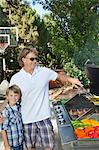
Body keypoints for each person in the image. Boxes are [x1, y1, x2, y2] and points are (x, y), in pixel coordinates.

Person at [9, 47, 83, 150]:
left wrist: (72, 79)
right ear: (23, 59)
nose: (35, 61)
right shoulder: (16, 78)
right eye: (32, 59)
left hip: (44, 118)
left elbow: (59, 77)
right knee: (30, 148)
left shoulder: (43, 72)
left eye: (36, 59)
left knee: (49, 147)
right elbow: (10, 100)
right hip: (27, 120)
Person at [0, 85, 23, 150]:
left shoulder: (19, 108)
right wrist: (6, 145)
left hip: (21, 142)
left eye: (16, 95)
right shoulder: (6, 111)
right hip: (12, 144)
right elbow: (3, 129)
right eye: (11, 95)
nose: (13, 98)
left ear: (19, 96)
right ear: (7, 97)